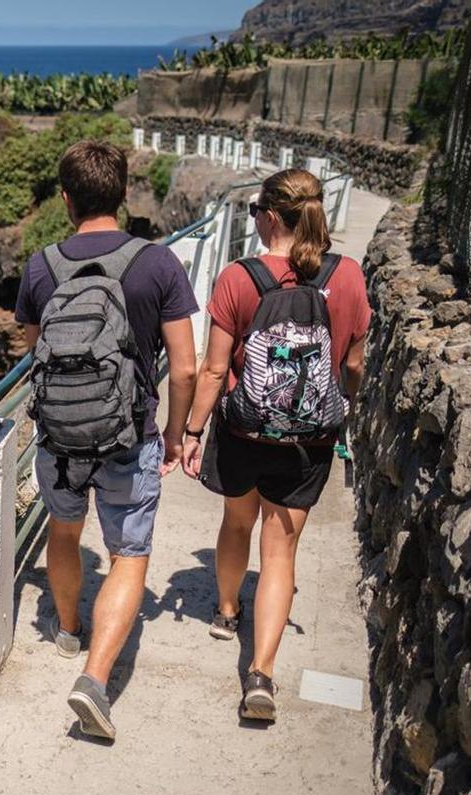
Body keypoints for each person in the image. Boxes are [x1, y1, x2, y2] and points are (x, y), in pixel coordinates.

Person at [16, 138, 198, 741]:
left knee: (64, 533)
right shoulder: (158, 263)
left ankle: (68, 630)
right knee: (128, 554)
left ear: (65, 198)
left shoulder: (41, 266)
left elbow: (33, 351)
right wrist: (175, 434)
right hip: (132, 433)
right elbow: (186, 365)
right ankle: (95, 681)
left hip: (59, 438)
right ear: (124, 194)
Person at [181, 168, 370, 722]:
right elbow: (353, 366)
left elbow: (215, 371)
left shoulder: (239, 278)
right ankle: (261, 673)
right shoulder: (349, 277)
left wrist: (192, 433)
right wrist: (344, 404)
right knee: (281, 551)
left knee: (237, 523)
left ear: (266, 216)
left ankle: (223, 611)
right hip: (310, 440)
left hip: (243, 432)